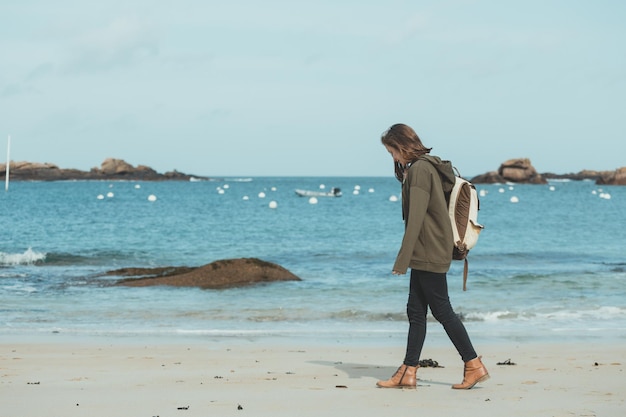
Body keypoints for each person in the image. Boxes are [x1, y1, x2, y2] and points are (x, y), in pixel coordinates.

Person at [376, 123, 489, 390]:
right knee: (416, 312)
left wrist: (401, 259)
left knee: (442, 311)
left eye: (392, 151)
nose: (393, 157)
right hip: (429, 248)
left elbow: (415, 218)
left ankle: (473, 364)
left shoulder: (420, 170)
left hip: (427, 249)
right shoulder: (427, 167)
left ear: (401, 146)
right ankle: (409, 371)